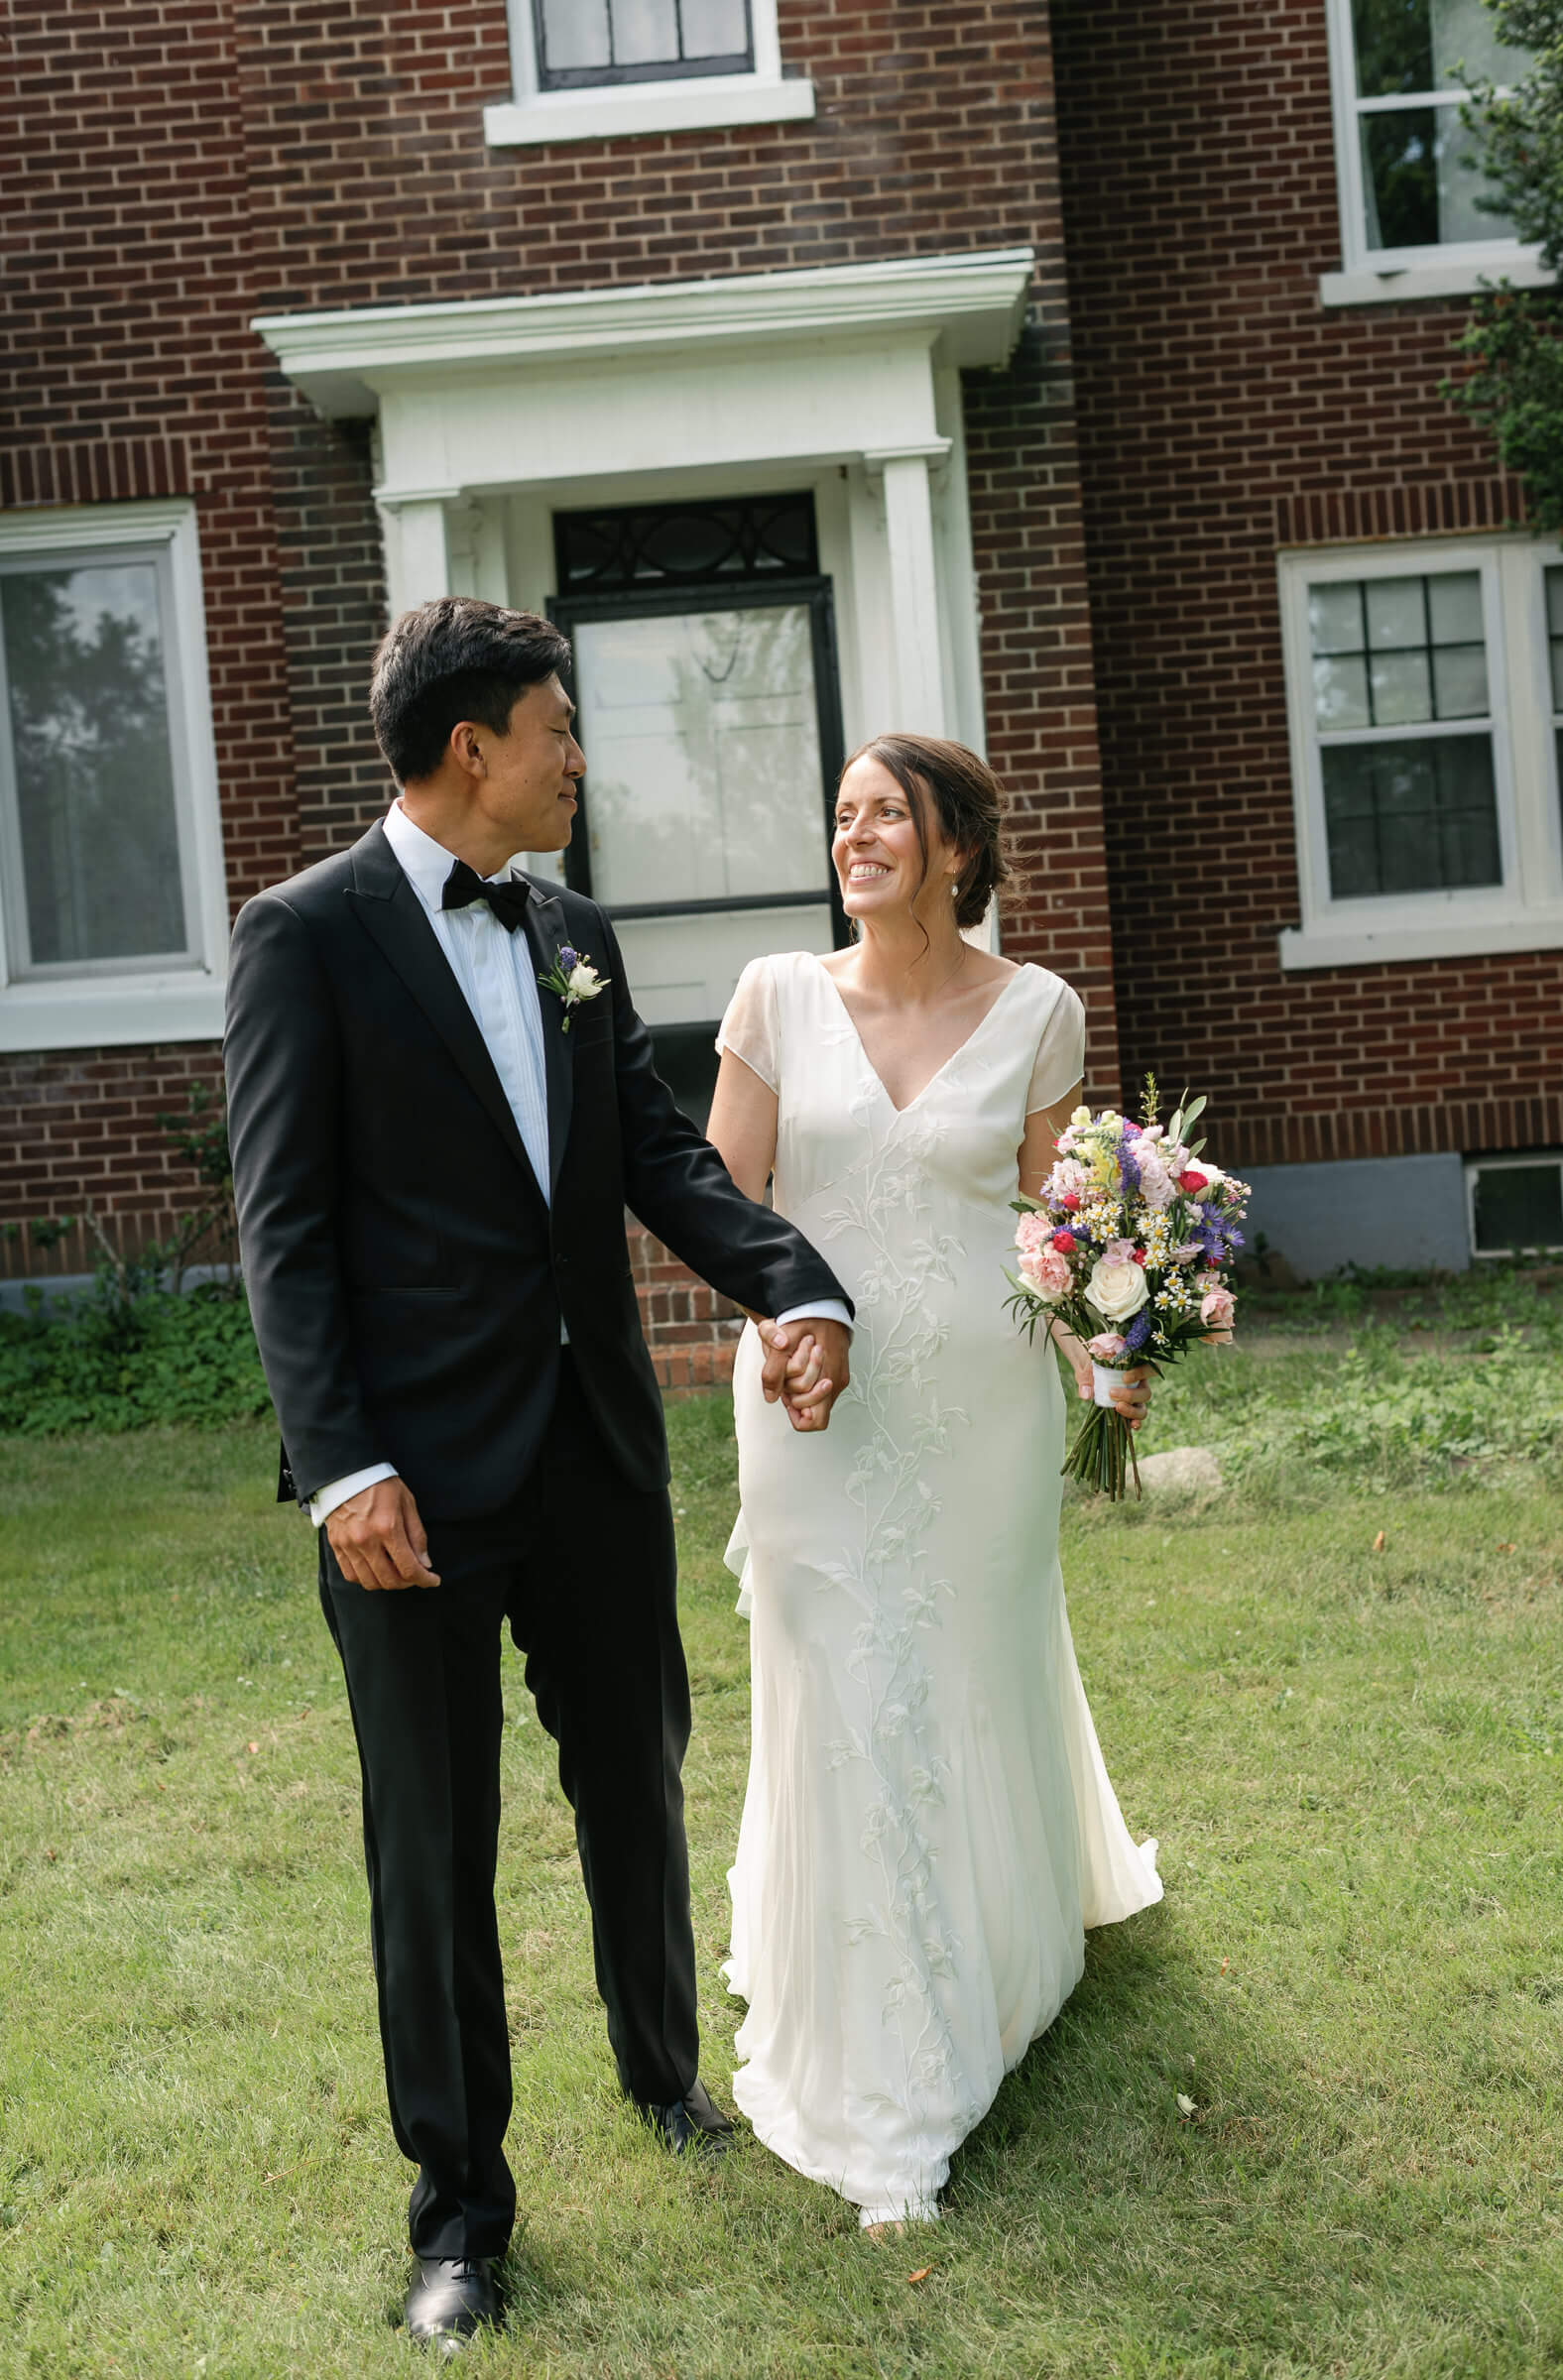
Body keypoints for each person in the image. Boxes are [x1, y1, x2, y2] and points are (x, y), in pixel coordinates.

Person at [223, 599, 854, 2350]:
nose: (583, 756)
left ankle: (666, 2076)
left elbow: (653, 1151)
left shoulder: (572, 927)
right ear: (470, 747)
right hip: (410, 1484)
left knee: (635, 1783)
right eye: (559, 728)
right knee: (430, 1851)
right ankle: (461, 2221)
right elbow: (283, 1236)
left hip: (591, 1452)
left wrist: (792, 1277)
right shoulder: (302, 937)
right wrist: (343, 1468)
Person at [705, 733, 1163, 2234]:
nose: (855, 836)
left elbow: (1064, 1215)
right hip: (809, 1393)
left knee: (968, 1652)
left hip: (978, 1400)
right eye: (839, 815)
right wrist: (778, 1327)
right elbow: (723, 1201)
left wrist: (1115, 1353)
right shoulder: (775, 995)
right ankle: (860, 2012)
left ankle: (990, 1951)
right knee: (837, 1660)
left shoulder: (1036, 1007)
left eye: (885, 814)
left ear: (955, 845)